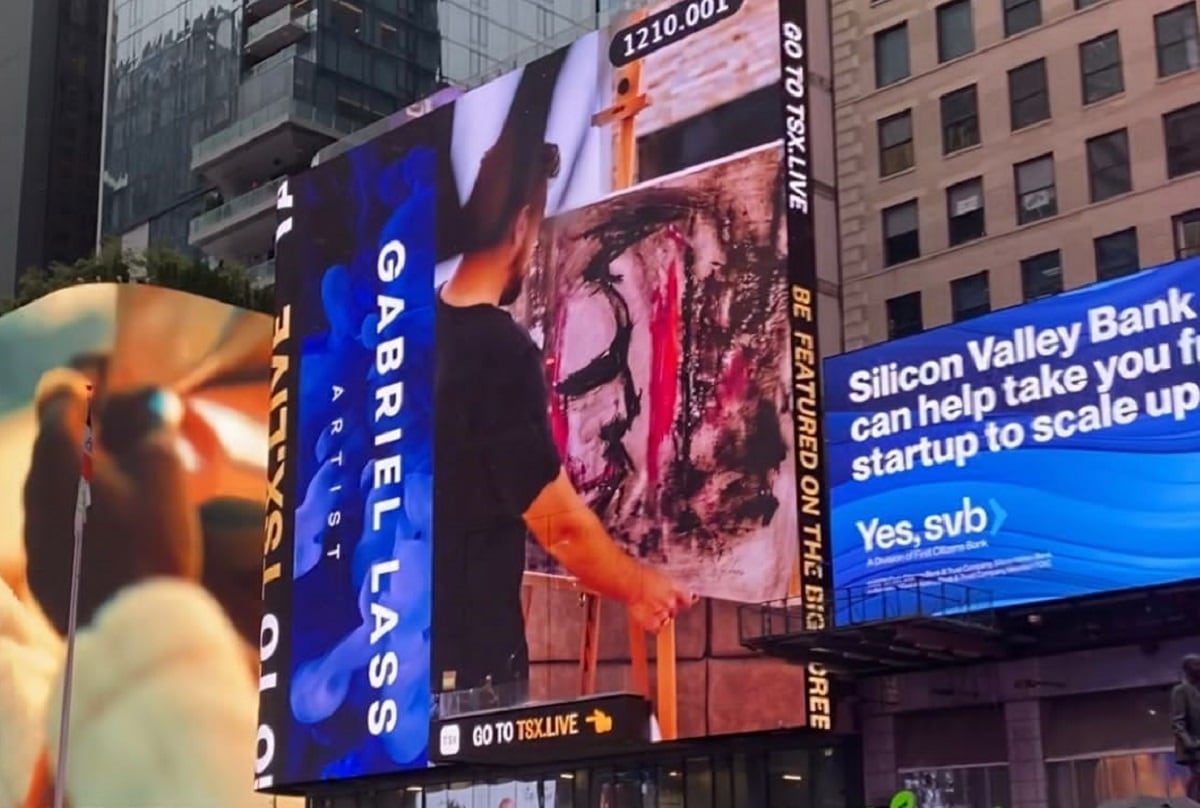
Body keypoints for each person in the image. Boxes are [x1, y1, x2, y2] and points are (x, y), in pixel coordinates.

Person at [432, 87, 696, 712]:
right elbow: (559, 524)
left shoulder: (415, 333)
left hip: (397, 656)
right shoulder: (498, 351)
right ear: (522, 222)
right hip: (471, 670)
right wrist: (638, 586)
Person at [1171, 654, 1200, 801]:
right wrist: (1190, 743)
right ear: (1187, 669)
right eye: (1197, 665)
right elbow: (1178, 722)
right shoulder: (1181, 691)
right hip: (1194, 747)